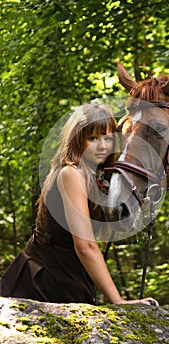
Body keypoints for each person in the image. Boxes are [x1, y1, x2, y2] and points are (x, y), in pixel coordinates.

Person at [0, 103, 158, 306]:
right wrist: (118, 300)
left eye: (107, 139)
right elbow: (85, 246)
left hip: (70, 272)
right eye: (93, 138)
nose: (102, 146)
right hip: (48, 276)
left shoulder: (95, 175)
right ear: (78, 140)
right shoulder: (71, 174)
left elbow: (98, 234)